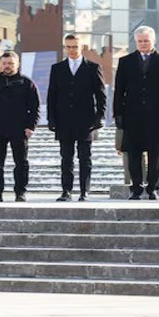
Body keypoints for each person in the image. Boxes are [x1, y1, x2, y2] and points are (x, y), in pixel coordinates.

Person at [113, 26, 159, 200]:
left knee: (155, 152)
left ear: (153, 41)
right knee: (133, 152)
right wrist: (118, 113)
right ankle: (136, 187)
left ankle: (152, 188)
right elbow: (119, 89)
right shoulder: (126, 61)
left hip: (156, 114)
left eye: (146, 41)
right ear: (136, 42)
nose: (143, 44)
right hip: (132, 114)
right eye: (140, 41)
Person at [46, 33, 106, 201]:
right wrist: (51, 118)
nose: (71, 50)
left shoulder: (93, 67)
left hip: (86, 121)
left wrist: (99, 117)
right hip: (64, 120)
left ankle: (84, 191)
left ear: (82, 47)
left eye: (75, 47)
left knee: (85, 157)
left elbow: (101, 95)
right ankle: (66, 191)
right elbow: (52, 95)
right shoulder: (57, 68)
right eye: (68, 47)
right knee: (66, 157)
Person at [0, 51, 40, 202]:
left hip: (19, 129)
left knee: (21, 162)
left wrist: (31, 126)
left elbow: (34, 108)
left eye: (11, 63)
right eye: (5, 63)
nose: (7, 66)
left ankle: (20, 192)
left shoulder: (27, 83)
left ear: (17, 64)